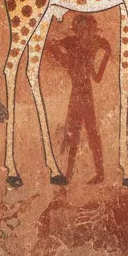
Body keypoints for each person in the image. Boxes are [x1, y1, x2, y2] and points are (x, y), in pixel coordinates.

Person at [46, 14, 111, 183]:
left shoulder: (90, 47)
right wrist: (54, 47)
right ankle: (69, 175)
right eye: (84, 30)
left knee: (91, 134)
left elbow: (96, 78)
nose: (87, 34)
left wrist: (107, 54)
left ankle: (99, 174)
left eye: (90, 31)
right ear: (78, 31)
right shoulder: (72, 44)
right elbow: (52, 45)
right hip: (77, 96)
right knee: (75, 135)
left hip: (85, 96)